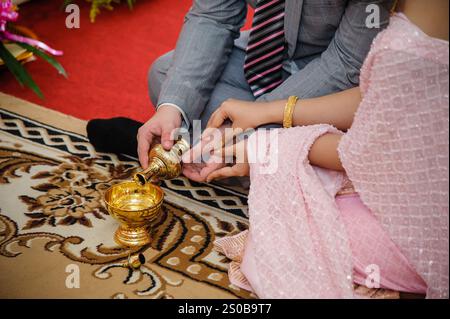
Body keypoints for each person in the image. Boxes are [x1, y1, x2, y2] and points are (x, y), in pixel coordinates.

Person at [202, 0, 449, 298]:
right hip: (416, 169)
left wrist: (266, 145)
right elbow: (381, 94)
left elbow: (369, 154)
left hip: (428, 219)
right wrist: (271, 113)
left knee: (291, 221)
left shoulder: (410, 42)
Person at [87, 0, 394, 179]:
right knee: (165, 76)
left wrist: (253, 119)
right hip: (263, 54)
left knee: (366, 146)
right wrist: (172, 107)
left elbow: (345, 63)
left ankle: (186, 152)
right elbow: (213, 15)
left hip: (336, 85)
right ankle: (239, 156)